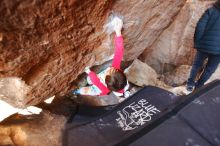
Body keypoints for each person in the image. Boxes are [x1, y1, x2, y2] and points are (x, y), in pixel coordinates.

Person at [72, 17, 129, 97]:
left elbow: (97, 82)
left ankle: (76, 92)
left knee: (86, 90)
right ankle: (123, 93)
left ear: (107, 81)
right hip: (114, 85)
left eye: (108, 72)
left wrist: (89, 72)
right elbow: (119, 51)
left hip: (98, 89)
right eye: (113, 69)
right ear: (119, 71)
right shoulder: (116, 68)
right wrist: (118, 32)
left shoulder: (104, 88)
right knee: (90, 80)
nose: (110, 68)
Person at [186, 0, 220, 92]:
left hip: (204, 45)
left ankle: (190, 84)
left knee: (197, 65)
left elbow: (200, 26)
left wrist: (198, 41)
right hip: (218, 51)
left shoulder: (211, 10)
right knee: (209, 69)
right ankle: (199, 86)